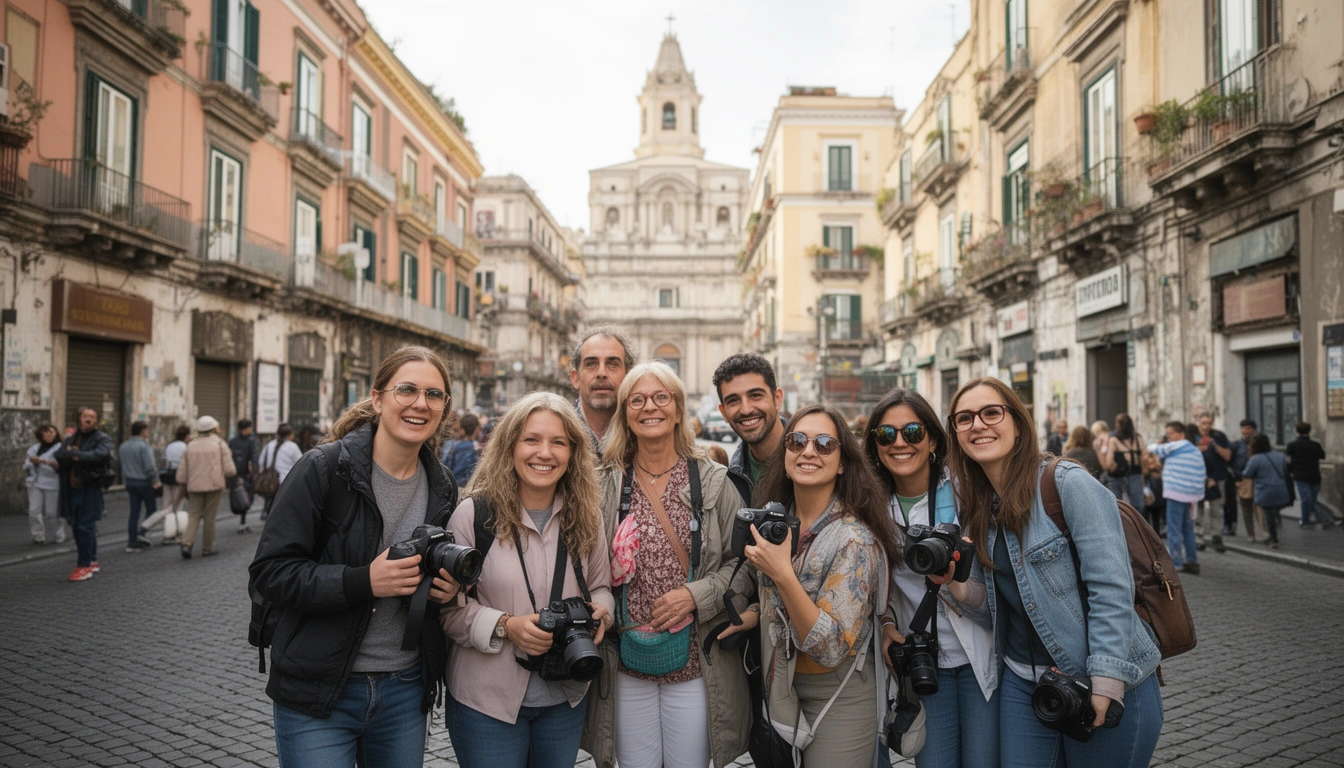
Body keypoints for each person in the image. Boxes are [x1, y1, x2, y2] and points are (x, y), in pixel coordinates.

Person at [249, 346, 461, 768]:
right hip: (319, 689)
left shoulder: (443, 485)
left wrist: (447, 589)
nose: (420, 404)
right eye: (407, 390)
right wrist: (363, 581)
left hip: (404, 687)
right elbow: (269, 573)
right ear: (378, 398)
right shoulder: (324, 470)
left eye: (434, 395)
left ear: (444, 408)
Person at [946, 378, 1163, 768]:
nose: (977, 425)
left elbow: (1112, 588)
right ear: (956, 433)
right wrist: (956, 588)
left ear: (1018, 422)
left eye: (991, 412)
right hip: (1023, 679)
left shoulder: (1067, 483)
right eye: (964, 418)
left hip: (1098, 677)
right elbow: (996, 609)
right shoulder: (979, 507)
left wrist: (1107, 680)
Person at [582, 361, 752, 768]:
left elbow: (745, 563)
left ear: (678, 408)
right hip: (623, 661)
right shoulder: (603, 481)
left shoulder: (714, 480)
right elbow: (581, 562)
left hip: (696, 662)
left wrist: (697, 595)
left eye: (661, 397)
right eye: (637, 399)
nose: (649, 407)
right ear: (625, 412)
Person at [440, 393, 614, 768]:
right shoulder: (473, 515)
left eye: (558, 442)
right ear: (510, 446)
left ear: (572, 453)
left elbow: (601, 584)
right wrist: (506, 626)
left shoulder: (587, 515)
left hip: (564, 697)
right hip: (486, 702)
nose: (544, 453)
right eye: (532, 440)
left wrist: (605, 610)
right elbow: (449, 611)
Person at [727, 404, 900, 768]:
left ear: (842, 463)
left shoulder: (854, 539)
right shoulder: (779, 521)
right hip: (780, 689)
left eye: (824, 444)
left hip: (838, 694)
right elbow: (778, 602)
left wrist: (783, 575)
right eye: (797, 441)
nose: (808, 451)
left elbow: (831, 647)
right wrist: (755, 614)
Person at [864, 390, 998, 768]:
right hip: (923, 661)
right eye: (886, 435)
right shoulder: (870, 506)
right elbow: (878, 586)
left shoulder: (967, 493)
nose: (900, 443)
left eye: (912, 431)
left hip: (978, 656)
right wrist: (887, 622)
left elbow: (994, 592)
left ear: (934, 439)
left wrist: (955, 582)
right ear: (875, 444)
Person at [712, 353, 786, 505]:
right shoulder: (727, 479)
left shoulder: (814, 460)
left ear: (777, 399)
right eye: (733, 401)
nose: (746, 409)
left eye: (756, 395)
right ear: (723, 412)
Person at [54, 407, 113, 582]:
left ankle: (84, 565)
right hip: (72, 486)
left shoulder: (102, 438)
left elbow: (100, 454)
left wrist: (76, 454)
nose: (88, 419)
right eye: (85, 416)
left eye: (92, 417)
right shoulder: (72, 437)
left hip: (89, 485)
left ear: (97, 421)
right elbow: (60, 454)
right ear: (79, 419)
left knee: (84, 526)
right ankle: (92, 560)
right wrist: (74, 455)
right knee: (79, 524)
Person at [1147, 422, 1207, 575]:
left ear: (1181, 434)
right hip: (1191, 493)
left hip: (1176, 491)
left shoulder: (1179, 445)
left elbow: (1153, 449)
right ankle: (1192, 561)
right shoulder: (1194, 449)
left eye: (1171, 433)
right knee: (1187, 528)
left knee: (1174, 528)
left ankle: (1176, 561)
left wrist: (1157, 444)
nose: (1168, 437)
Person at [176, 416, 236, 559]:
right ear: (214, 428)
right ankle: (208, 548)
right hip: (214, 485)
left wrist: (183, 483)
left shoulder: (191, 444)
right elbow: (230, 470)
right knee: (210, 517)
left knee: (194, 515)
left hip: (194, 485)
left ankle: (187, 543)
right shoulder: (220, 444)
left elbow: (182, 471)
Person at [569, 326, 636, 446]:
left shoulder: (641, 435)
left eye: (612, 364)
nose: (601, 373)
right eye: (590, 364)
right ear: (575, 378)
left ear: (628, 377)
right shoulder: (558, 430)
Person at [1241, 433, 1292, 549]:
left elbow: (1247, 473)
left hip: (1265, 490)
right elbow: (1285, 469)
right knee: (1275, 512)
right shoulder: (1279, 455)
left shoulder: (1255, 458)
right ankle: (1275, 530)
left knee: (1268, 514)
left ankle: (1273, 538)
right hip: (1281, 489)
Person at [141, 424, 191, 543]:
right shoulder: (185, 447)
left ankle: (169, 534)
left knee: (167, 507)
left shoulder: (170, 445)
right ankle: (145, 527)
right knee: (174, 509)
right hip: (178, 480)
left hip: (167, 479)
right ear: (187, 435)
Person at [118, 421, 160, 552]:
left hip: (130, 482)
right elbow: (149, 466)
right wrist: (155, 480)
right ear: (142, 431)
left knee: (134, 512)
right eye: (147, 430)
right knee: (152, 510)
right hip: (144, 482)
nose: (148, 433)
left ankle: (132, 542)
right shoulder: (144, 446)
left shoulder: (123, 446)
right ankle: (141, 533)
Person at [1194, 415, 1232, 552]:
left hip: (1217, 478)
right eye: (1203, 423)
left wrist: (1214, 445)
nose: (1206, 426)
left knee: (1216, 509)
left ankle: (1216, 537)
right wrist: (1198, 449)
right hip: (1198, 479)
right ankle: (1199, 537)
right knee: (1198, 510)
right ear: (1198, 422)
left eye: (1209, 423)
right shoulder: (1193, 436)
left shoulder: (1219, 436)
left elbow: (1227, 456)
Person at [24, 424, 66, 545]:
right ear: (40, 434)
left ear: (56, 434)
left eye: (51, 432)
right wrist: (33, 463)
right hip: (35, 482)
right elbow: (26, 465)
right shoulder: (34, 448)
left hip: (53, 483)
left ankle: (59, 535)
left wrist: (46, 462)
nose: (49, 434)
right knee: (33, 511)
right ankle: (38, 536)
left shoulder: (60, 448)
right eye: (45, 432)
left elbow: (62, 465)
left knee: (52, 513)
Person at [1285, 422, 1331, 530]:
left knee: (1307, 499)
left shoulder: (1292, 445)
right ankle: (1319, 519)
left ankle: (1308, 520)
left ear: (1297, 431)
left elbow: (1288, 460)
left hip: (1301, 475)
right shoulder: (1315, 445)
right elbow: (1322, 455)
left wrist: (1291, 470)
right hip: (1314, 475)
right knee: (1311, 500)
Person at [259, 424, 303, 518]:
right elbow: (301, 463)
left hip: (269, 483)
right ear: (289, 435)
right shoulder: (292, 447)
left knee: (271, 506)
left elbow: (261, 462)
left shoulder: (269, 445)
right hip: (285, 482)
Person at [1101, 414, 1145, 509]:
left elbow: (1109, 462)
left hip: (1118, 475)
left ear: (1118, 425)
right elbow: (1144, 458)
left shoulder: (1113, 439)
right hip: (1136, 474)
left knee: (1119, 507)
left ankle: (1123, 524)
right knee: (1138, 506)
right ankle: (1136, 523)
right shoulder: (1138, 438)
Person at [1228, 419, 1260, 541]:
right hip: (1243, 479)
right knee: (1246, 508)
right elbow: (1231, 462)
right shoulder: (1237, 445)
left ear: (1253, 430)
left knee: (1259, 508)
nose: (1245, 431)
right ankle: (1250, 534)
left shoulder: (1259, 443)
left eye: (1248, 428)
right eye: (1243, 428)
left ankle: (1265, 532)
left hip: (1257, 480)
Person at [230, 419, 260, 533]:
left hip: (236, 474)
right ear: (244, 429)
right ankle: (242, 523)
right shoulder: (250, 441)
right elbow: (254, 457)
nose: (251, 430)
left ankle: (243, 522)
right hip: (245, 475)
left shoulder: (232, 441)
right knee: (246, 497)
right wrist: (255, 472)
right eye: (249, 428)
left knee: (241, 498)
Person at [442, 413, 482, 485]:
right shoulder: (475, 447)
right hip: (465, 486)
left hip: (452, 485)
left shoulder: (453, 445)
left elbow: (445, 466)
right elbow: (472, 472)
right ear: (476, 429)